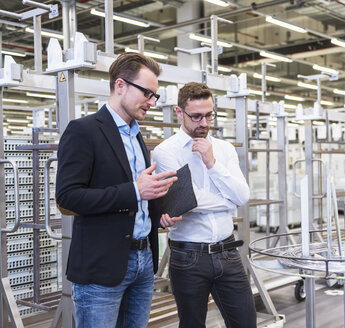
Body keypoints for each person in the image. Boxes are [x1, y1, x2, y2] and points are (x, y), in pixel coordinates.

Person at [56, 53, 182, 328]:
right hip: (102, 266)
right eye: (147, 93)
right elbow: (67, 197)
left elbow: (138, 196)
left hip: (143, 259)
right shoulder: (84, 131)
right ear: (121, 85)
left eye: (155, 96)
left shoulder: (136, 135)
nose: (152, 101)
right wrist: (135, 191)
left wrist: (158, 215)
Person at [153, 82, 256, 328]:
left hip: (228, 253)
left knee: (246, 323)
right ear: (180, 113)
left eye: (209, 115)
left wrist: (212, 163)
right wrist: (226, 200)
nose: (204, 123)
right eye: (196, 116)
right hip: (188, 258)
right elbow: (188, 200)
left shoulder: (224, 149)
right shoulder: (165, 152)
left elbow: (242, 196)